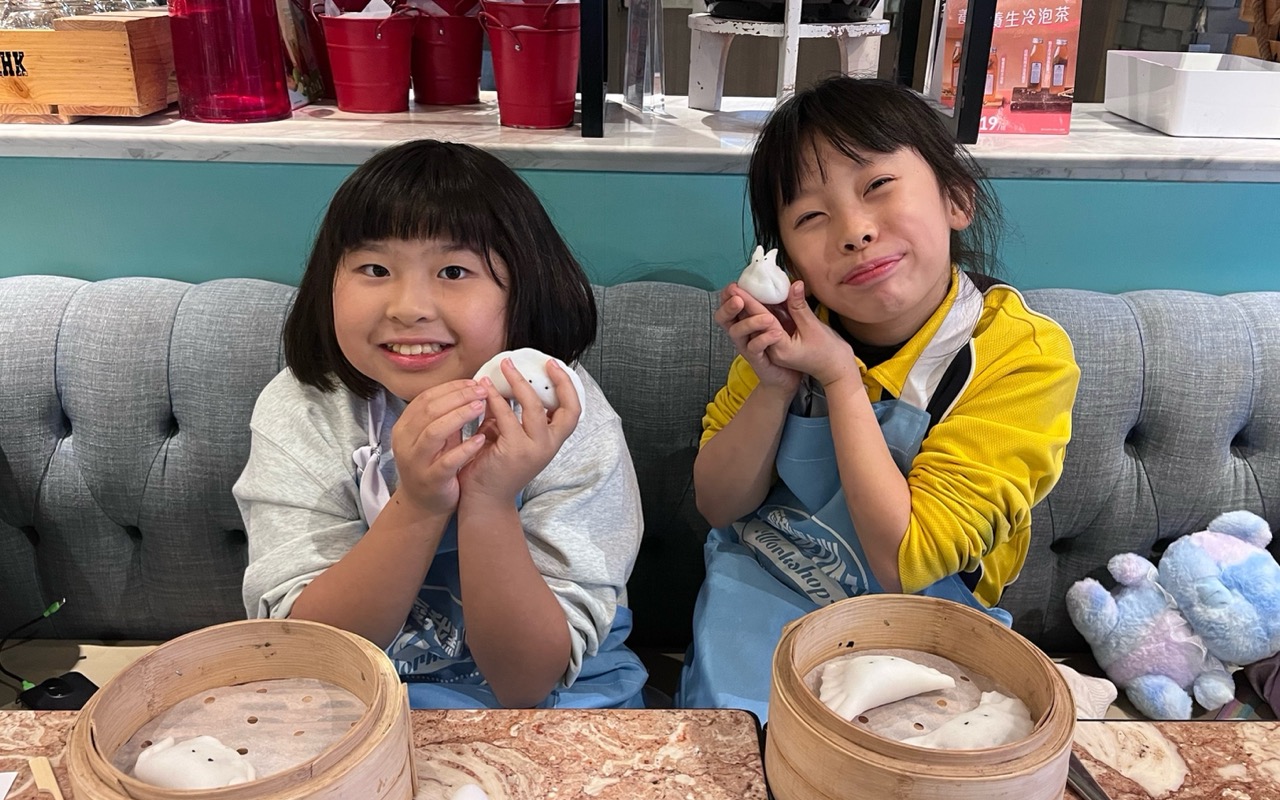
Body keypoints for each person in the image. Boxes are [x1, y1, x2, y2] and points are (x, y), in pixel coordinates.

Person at [676, 77, 1080, 720]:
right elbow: (718, 504)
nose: (854, 232)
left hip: (921, 628)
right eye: (811, 217)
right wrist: (775, 386)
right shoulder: (788, 332)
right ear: (788, 263)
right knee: (740, 754)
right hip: (761, 599)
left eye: (879, 185)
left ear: (956, 198)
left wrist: (839, 379)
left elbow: (905, 560)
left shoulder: (1020, 357)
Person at [233, 140, 647, 709]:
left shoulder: (563, 412)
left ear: (524, 288)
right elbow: (313, 657)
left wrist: (489, 501)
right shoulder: (308, 407)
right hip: (359, 701)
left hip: (558, 705)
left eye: (454, 271)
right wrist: (419, 505)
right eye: (375, 269)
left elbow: (528, 681)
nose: (409, 307)